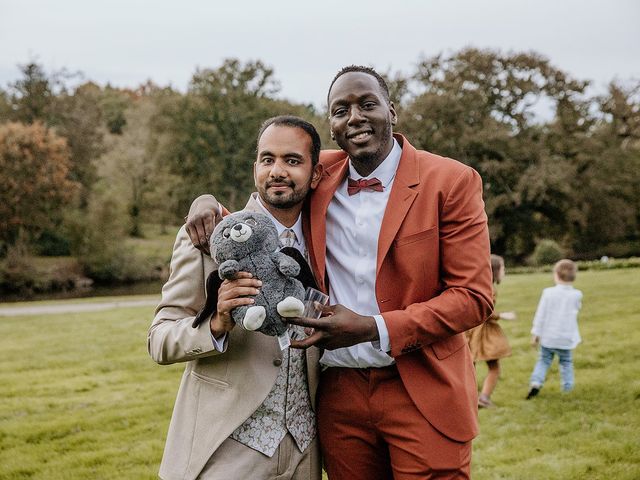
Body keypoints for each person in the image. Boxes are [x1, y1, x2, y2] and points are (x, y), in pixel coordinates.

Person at [187, 66, 494, 479]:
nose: (355, 117)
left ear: (392, 112)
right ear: (331, 125)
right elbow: (263, 204)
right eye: (340, 110)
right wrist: (205, 202)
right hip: (339, 393)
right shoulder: (320, 173)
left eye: (368, 104)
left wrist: (373, 327)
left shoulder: (451, 181)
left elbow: (474, 298)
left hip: (423, 384)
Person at [148, 116, 323, 480]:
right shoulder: (209, 234)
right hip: (225, 450)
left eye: (292, 160)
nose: (277, 171)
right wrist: (217, 323)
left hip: (305, 453)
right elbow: (159, 340)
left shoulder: (325, 240)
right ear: (255, 167)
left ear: (315, 173)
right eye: (267, 159)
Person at [526, 259, 583, 399]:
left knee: (544, 360)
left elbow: (541, 314)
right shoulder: (577, 295)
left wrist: (536, 333)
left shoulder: (548, 293)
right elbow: (577, 308)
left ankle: (536, 381)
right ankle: (568, 387)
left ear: (556, 275)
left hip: (548, 337)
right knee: (566, 362)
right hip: (566, 338)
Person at [466, 254, 516, 408]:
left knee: (469, 366)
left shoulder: (478, 286)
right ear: (495, 270)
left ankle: (469, 399)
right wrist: (502, 316)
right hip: (483, 333)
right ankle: (483, 398)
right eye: (503, 268)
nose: (504, 271)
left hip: (470, 331)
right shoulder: (490, 289)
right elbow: (485, 312)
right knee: (493, 367)